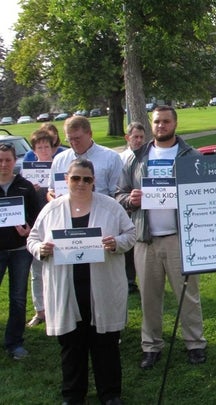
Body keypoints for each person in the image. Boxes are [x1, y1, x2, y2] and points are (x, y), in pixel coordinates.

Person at [27, 158, 135, 405]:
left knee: (105, 344)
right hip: (67, 288)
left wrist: (116, 243)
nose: (81, 183)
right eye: (75, 178)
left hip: (101, 286)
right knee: (71, 345)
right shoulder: (52, 210)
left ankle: (110, 394)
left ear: (93, 181)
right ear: (67, 179)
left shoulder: (109, 207)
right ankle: (73, 395)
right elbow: (33, 239)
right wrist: (40, 248)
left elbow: (131, 233)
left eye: (87, 179)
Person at [116, 105, 207, 369]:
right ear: (151, 124)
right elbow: (119, 193)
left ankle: (195, 344)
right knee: (149, 297)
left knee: (187, 295)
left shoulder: (191, 156)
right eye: (157, 122)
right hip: (145, 239)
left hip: (180, 238)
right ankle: (151, 346)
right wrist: (130, 200)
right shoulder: (136, 157)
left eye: (166, 121)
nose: (161, 126)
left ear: (175, 124)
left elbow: (204, 195)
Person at [0, 143, 41, 360]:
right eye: (0, 160)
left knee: (17, 297)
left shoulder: (25, 186)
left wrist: (29, 228)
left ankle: (14, 342)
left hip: (19, 251)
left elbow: (38, 217)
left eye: (7, 160)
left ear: (15, 161)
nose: (4, 164)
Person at [48, 116, 122, 200]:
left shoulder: (111, 158)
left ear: (90, 134)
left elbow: (117, 193)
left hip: (100, 210)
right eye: (69, 139)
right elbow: (51, 190)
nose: (74, 143)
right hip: (66, 210)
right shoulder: (59, 159)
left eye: (77, 138)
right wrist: (53, 198)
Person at [24, 130, 56, 327]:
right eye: (39, 147)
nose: (44, 150)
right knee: (36, 272)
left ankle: (57, 308)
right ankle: (40, 311)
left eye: (47, 146)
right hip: (36, 226)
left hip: (57, 224)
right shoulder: (26, 174)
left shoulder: (61, 167)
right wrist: (30, 189)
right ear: (34, 150)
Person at [119, 122, 146, 295]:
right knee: (127, 248)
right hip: (124, 207)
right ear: (127, 138)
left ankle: (134, 280)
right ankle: (127, 281)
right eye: (135, 137)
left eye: (142, 137)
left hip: (140, 209)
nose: (138, 140)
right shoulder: (121, 158)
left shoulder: (147, 157)